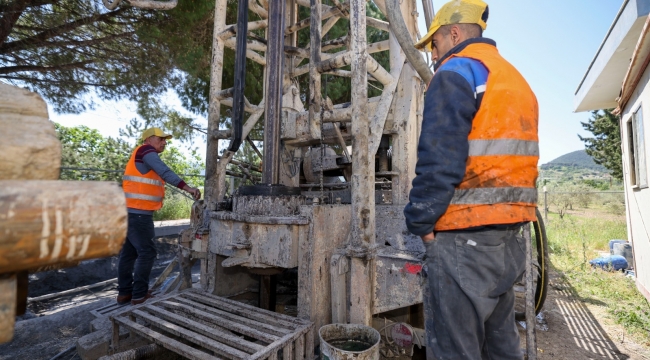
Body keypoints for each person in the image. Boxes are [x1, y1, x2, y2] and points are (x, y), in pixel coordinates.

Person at [404, 0, 539, 358]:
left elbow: (440, 156)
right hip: (509, 238)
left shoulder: (455, 72)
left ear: (454, 33)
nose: (433, 53)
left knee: (455, 348)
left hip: (464, 236)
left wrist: (421, 219)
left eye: (434, 43)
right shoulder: (512, 78)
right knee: (500, 343)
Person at [117, 128, 201, 305]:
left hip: (129, 211)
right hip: (139, 214)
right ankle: (139, 295)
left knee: (129, 254)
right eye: (161, 139)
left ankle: (124, 293)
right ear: (148, 139)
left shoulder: (139, 154)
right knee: (147, 253)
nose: (164, 142)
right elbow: (165, 171)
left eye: (165, 140)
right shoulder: (146, 151)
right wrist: (188, 188)